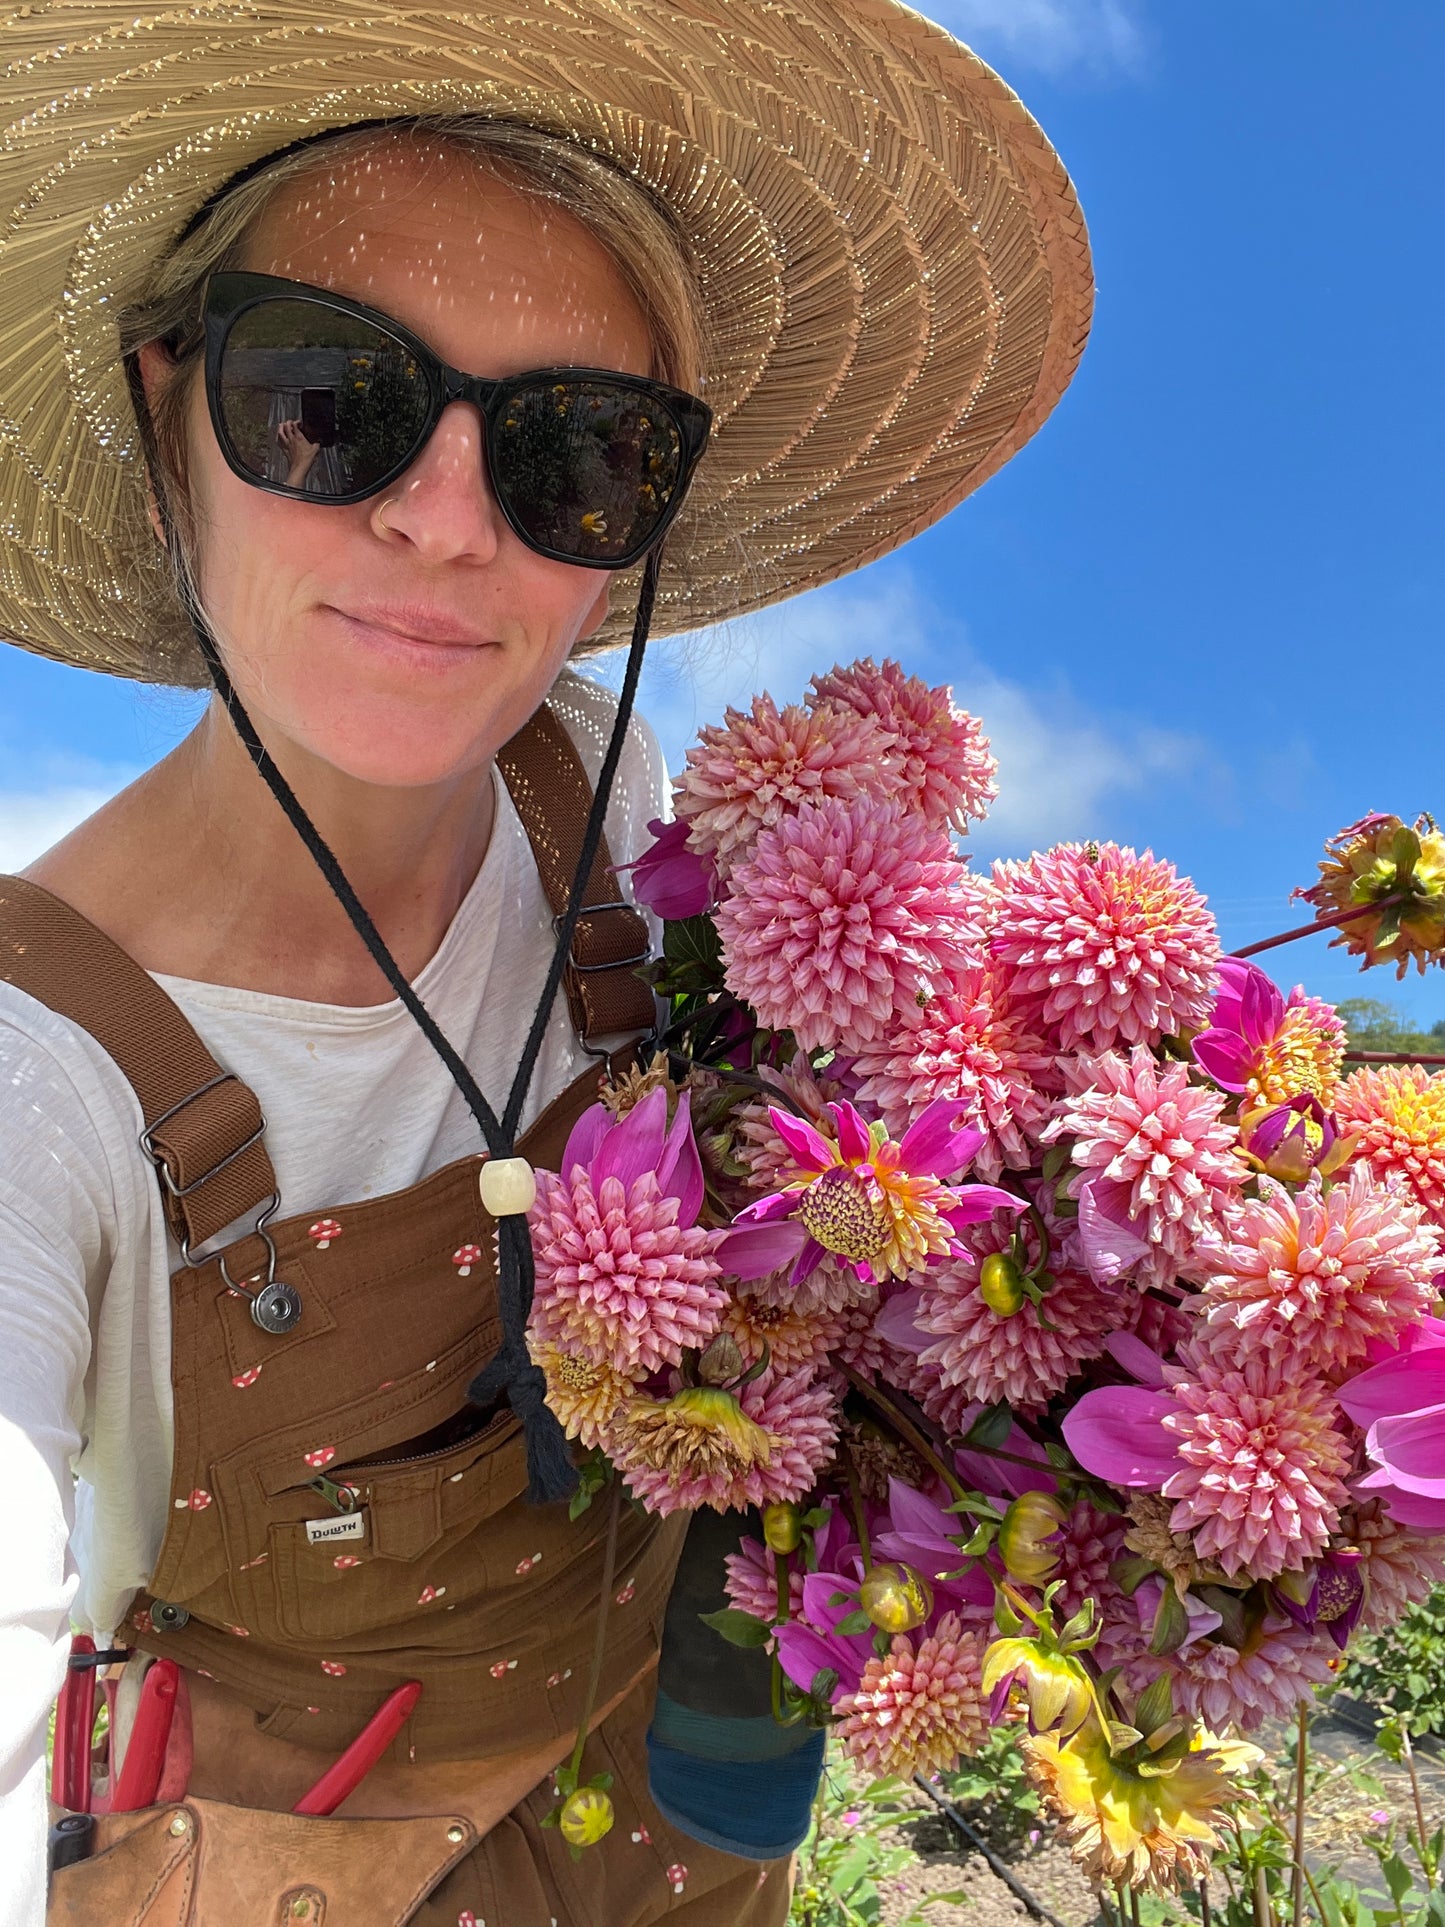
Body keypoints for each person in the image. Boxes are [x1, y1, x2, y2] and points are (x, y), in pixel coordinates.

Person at [0, 5, 1092, 1922]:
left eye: (573, 450)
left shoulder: (595, 781)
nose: (442, 518)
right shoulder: (35, 1071)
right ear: (167, 403)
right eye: (325, 398)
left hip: (672, 1822)